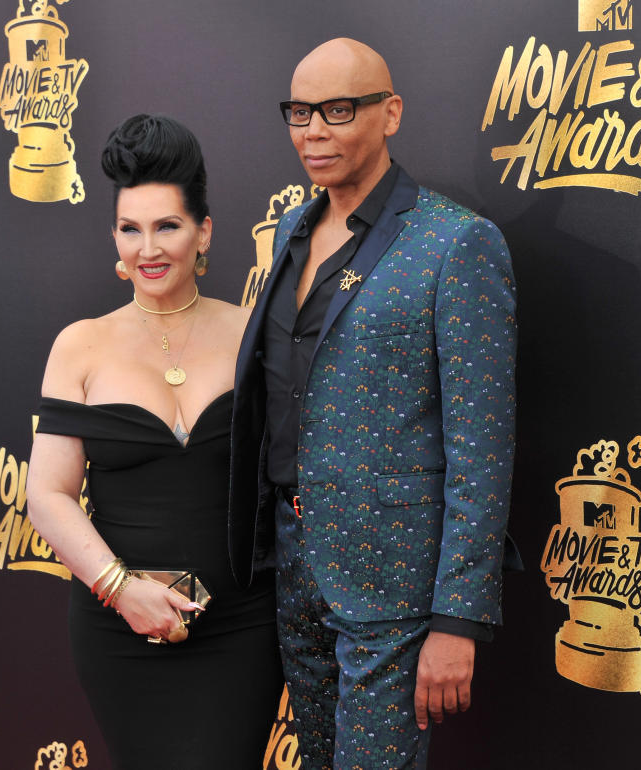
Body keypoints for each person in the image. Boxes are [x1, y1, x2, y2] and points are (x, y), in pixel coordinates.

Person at [229, 39, 520, 769]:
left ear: (389, 113)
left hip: (395, 586)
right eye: (299, 113)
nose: (313, 132)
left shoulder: (456, 244)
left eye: (337, 110)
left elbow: (483, 446)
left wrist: (458, 618)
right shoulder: (294, 234)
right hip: (294, 566)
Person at [26, 114, 283, 770]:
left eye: (167, 226)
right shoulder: (80, 346)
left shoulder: (252, 334)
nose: (149, 248)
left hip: (241, 627)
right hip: (119, 629)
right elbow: (49, 495)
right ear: (113, 237)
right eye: (130, 229)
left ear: (204, 233)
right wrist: (121, 589)